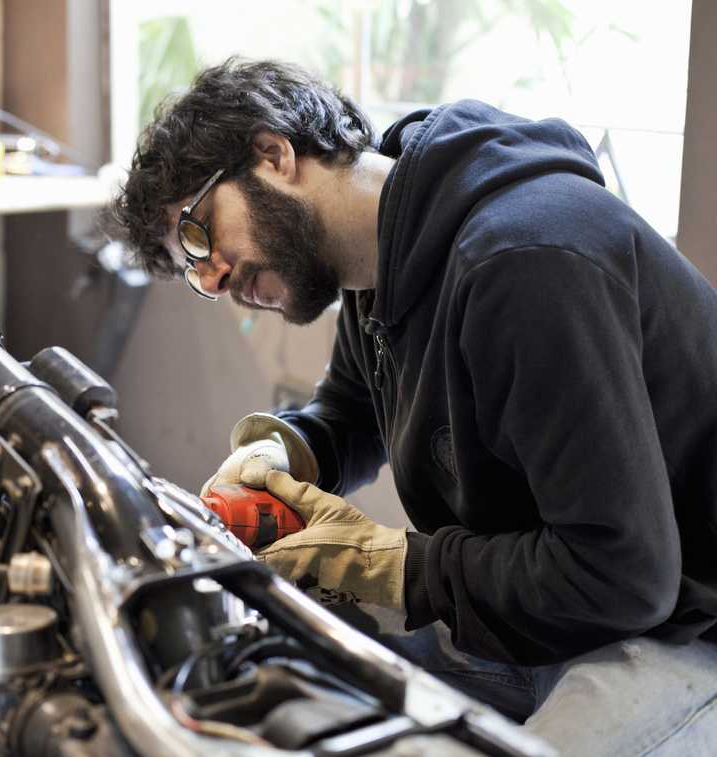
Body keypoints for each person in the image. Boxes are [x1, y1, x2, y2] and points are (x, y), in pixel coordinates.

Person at [106, 58, 717, 753]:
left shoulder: (523, 262)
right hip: (556, 615)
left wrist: (397, 564)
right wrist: (286, 448)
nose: (211, 276)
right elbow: (353, 410)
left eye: (197, 232)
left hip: (686, 627)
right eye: (192, 269)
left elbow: (623, 577)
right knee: (300, 707)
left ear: (273, 154)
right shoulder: (383, 253)